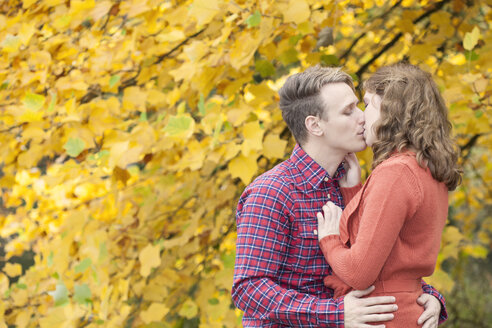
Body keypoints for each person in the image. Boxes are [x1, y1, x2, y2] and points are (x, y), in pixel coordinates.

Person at [232, 65, 448, 327]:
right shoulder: (273, 192)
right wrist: (335, 313)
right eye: (348, 111)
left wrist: (429, 296)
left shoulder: (350, 185)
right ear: (315, 125)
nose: (362, 117)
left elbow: (383, 261)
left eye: (360, 106)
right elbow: (248, 289)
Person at [317, 63, 461, 327]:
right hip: (404, 310)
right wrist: (353, 191)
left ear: (393, 111)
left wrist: (329, 240)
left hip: (382, 315)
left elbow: (359, 273)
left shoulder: (396, 173)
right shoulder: (425, 168)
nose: (362, 116)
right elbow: (391, 246)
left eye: (369, 104)